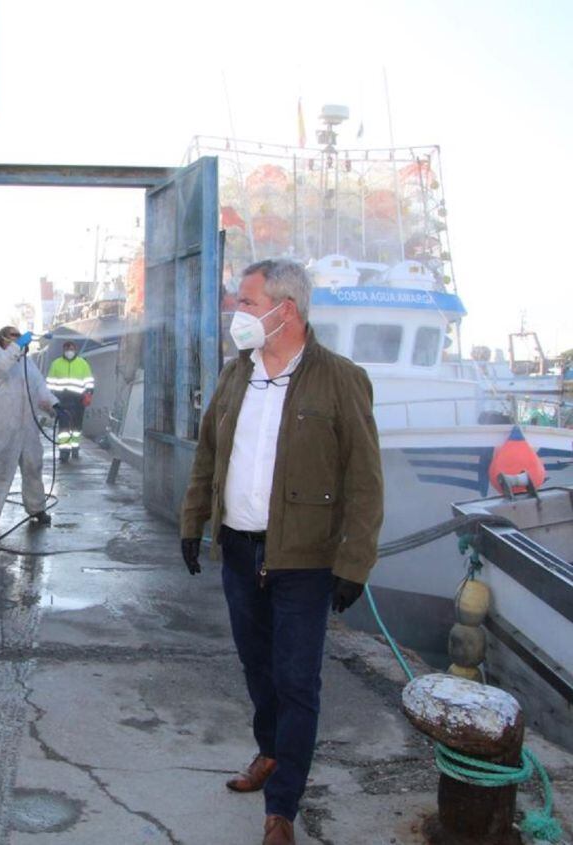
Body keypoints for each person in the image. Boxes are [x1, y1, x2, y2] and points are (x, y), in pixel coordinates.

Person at [179, 259, 383, 845]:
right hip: (239, 552)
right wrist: (194, 522)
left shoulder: (341, 379)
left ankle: (282, 808)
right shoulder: (234, 374)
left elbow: (366, 481)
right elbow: (206, 457)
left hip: (305, 562)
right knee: (256, 666)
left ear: (284, 309)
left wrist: (354, 563)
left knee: (297, 680)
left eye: (245, 302)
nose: (234, 313)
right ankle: (270, 750)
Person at [0, 326, 56, 531]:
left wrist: (53, 404)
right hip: (6, 425)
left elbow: (40, 387)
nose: (19, 338)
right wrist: (17, 347)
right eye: (14, 335)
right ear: (3, 339)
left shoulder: (27, 363)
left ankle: (37, 508)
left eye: (19, 335)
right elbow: (1, 367)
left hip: (28, 425)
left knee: (33, 466)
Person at [46, 339, 95, 462]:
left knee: (77, 426)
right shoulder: (56, 364)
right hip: (61, 400)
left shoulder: (82, 364)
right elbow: (50, 383)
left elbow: (89, 381)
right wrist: (50, 399)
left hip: (78, 400)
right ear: (63, 350)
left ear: (75, 350)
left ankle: (75, 448)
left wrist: (89, 394)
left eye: (71, 349)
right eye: (67, 349)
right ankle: (64, 452)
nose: (69, 351)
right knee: (64, 427)